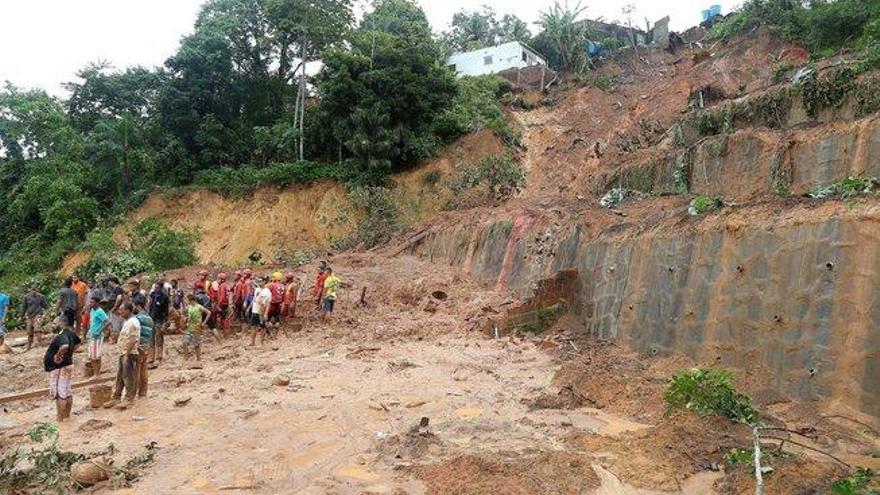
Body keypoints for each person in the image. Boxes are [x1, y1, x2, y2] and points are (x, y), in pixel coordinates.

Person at [104, 302, 140, 410]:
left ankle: (129, 398)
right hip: (124, 352)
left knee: (128, 376)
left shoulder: (132, 322)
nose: (120, 312)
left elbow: (133, 339)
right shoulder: (127, 321)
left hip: (129, 353)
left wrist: (126, 354)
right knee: (120, 376)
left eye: (122, 310)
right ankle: (116, 397)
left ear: (128, 311)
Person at [44, 323, 81, 421]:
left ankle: (60, 419)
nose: (55, 323)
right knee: (67, 391)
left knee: (60, 394)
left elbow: (64, 346)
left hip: (59, 367)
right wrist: (69, 354)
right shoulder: (71, 334)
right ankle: (67, 416)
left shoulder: (62, 335)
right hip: (68, 365)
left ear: (62, 324)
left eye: (58, 321)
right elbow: (78, 343)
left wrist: (58, 356)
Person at [84, 296, 109, 378]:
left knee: (95, 356)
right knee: (93, 355)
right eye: (90, 302)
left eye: (92, 302)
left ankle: (97, 374)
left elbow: (107, 322)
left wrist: (99, 331)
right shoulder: (92, 311)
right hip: (92, 335)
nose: (90, 304)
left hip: (97, 337)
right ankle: (96, 373)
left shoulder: (100, 311)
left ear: (97, 303)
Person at [134, 304, 154, 397]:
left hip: (138, 346)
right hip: (146, 345)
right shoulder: (149, 318)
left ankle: (134, 392)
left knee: (137, 370)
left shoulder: (137, 318)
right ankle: (143, 392)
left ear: (137, 306)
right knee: (144, 369)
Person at [183, 294, 211, 362]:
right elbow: (184, 314)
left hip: (196, 328)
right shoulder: (188, 307)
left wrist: (204, 323)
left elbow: (209, 313)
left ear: (190, 300)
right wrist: (185, 319)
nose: (186, 301)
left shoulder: (199, 307)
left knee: (196, 345)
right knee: (185, 343)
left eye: (187, 300)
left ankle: (198, 359)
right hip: (189, 327)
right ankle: (186, 359)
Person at [148, 281, 170, 366]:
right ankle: (151, 357)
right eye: (155, 287)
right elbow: (150, 306)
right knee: (151, 337)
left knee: (159, 337)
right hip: (152, 318)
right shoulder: (153, 294)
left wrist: (165, 321)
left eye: (157, 288)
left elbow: (166, 310)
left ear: (161, 288)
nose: (156, 289)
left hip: (160, 319)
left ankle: (158, 357)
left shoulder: (164, 297)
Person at [20, 285, 47, 350]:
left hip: (38, 315)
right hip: (29, 316)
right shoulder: (26, 297)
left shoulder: (41, 296)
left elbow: (45, 305)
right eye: (32, 290)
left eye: (35, 290)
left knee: (38, 329)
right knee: (29, 331)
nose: (34, 291)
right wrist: (22, 315)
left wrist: (45, 313)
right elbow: (24, 307)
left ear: (37, 290)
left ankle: (39, 345)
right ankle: (29, 345)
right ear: (30, 290)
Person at [249, 277, 271, 346]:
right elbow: (254, 299)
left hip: (261, 311)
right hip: (254, 310)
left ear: (264, 282)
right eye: (258, 281)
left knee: (262, 327)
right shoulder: (257, 290)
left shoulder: (268, 292)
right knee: (253, 326)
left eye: (260, 281)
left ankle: (262, 343)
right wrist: (249, 307)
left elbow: (268, 304)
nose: (259, 282)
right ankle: (253, 342)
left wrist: (266, 313)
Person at [212, 272, 231, 337]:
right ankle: (226, 333)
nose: (217, 280)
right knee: (224, 318)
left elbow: (222, 296)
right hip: (226, 304)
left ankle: (225, 334)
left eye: (218, 279)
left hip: (222, 304)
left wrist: (218, 304)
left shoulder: (222, 286)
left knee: (223, 319)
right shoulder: (226, 285)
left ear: (221, 279)